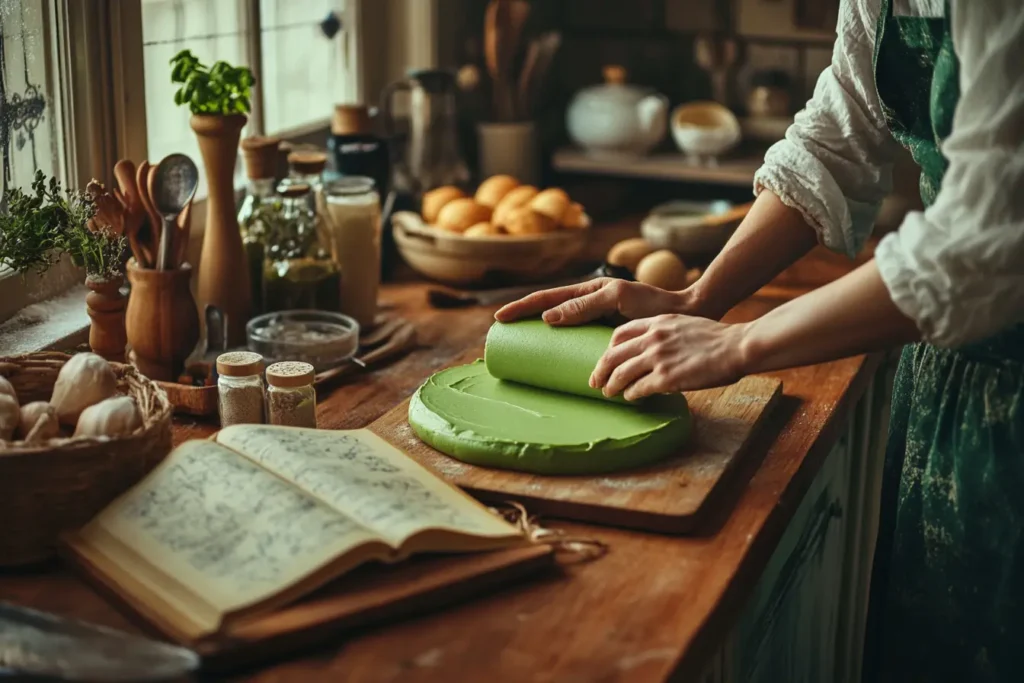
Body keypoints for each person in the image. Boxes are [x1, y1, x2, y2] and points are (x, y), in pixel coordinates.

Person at [496, 1, 1023, 681]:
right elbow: (833, 145)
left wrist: (740, 345)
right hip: (948, 379)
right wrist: (699, 299)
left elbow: (985, 247)